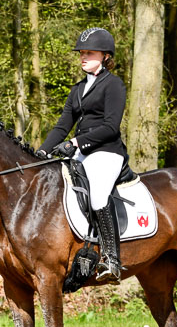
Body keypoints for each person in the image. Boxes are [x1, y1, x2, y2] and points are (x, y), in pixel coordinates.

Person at [37, 27, 127, 284]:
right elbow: (62, 126)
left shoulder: (114, 85)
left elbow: (111, 127)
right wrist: (42, 151)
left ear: (105, 56)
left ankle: (111, 258)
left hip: (107, 152)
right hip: (82, 154)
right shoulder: (77, 89)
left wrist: (76, 142)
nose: (83, 57)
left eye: (89, 53)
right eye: (81, 53)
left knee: (98, 197)